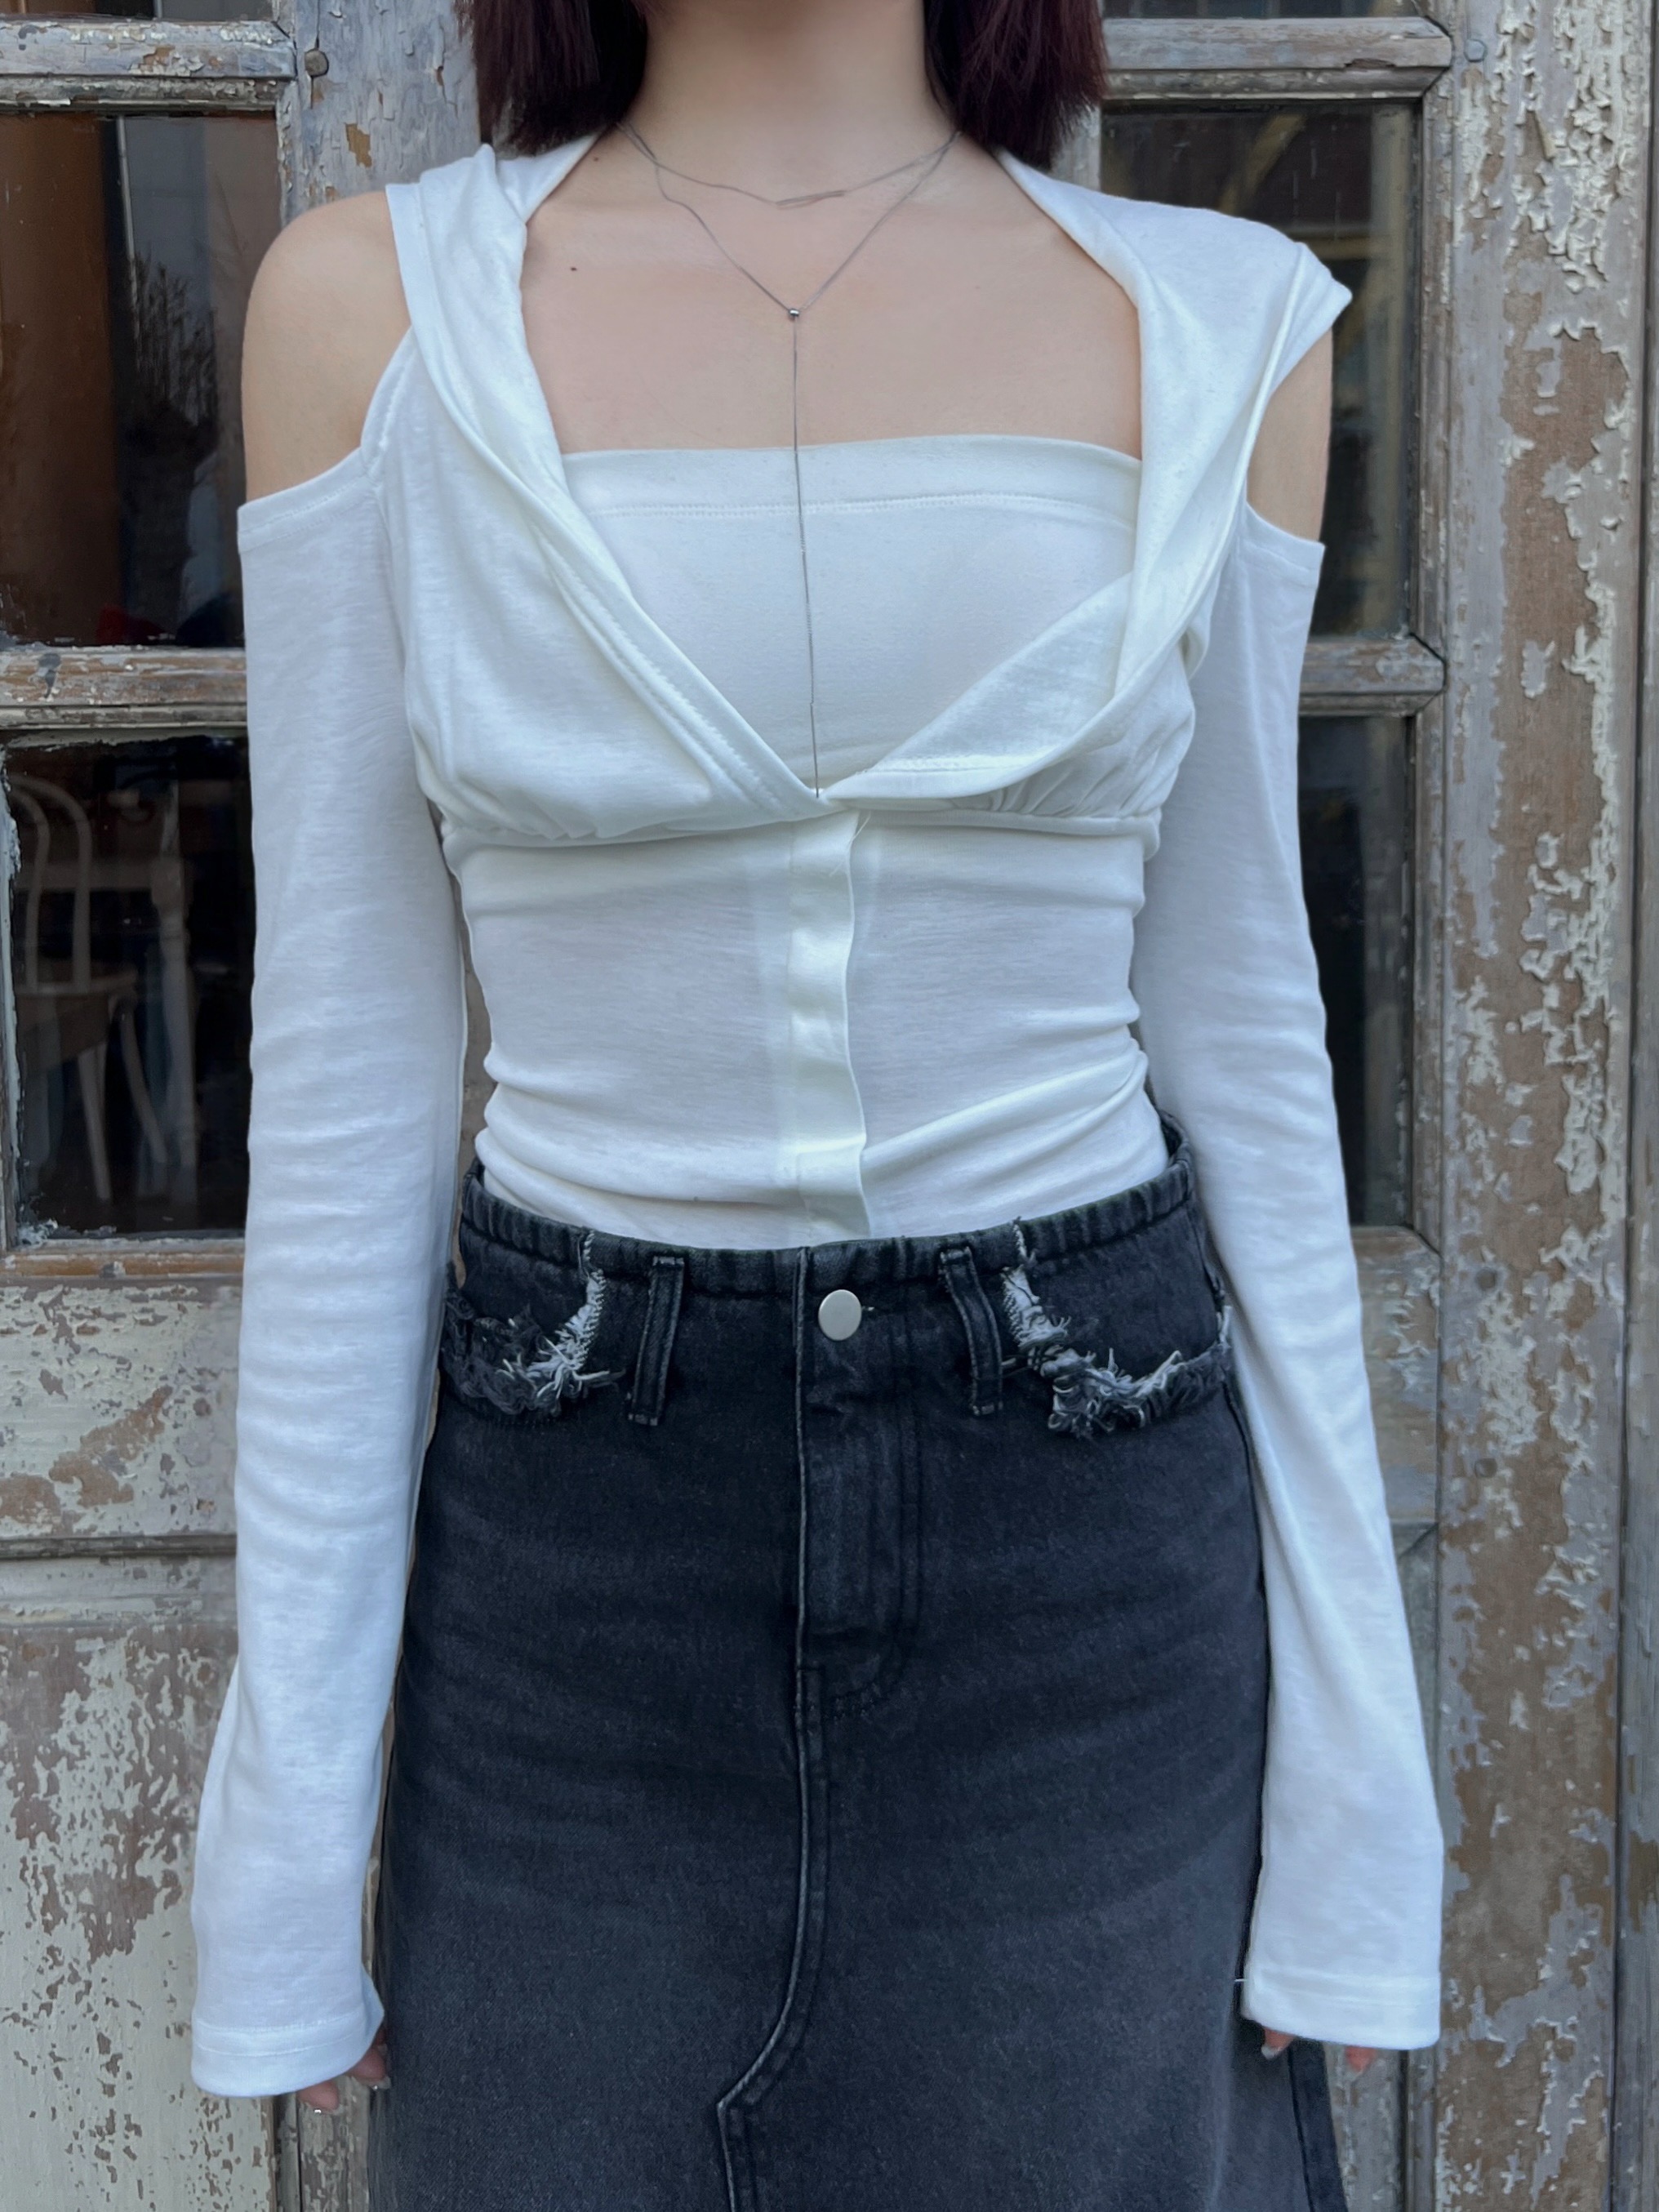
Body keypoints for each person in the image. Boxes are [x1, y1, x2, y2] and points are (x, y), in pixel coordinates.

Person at [187, 0, 1444, 2204]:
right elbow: (350, 1087)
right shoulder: (367, 314)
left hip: (1084, 1536)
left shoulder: (1220, 326)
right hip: (578, 1547)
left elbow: (1248, 1030)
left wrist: (1362, 1791)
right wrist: (285, 1851)